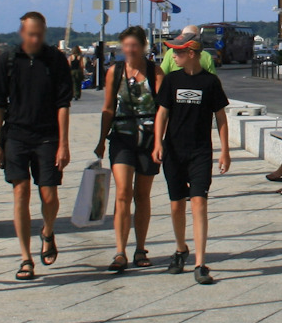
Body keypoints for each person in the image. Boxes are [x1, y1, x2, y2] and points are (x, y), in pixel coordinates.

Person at [0, 12, 74, 282]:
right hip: (15, 134)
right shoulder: (8, 60)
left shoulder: (55, 60)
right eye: (30, 34)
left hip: (47, 135)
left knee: (49, 195)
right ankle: (26, 258)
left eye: (39, 34)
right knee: (21, 193)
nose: (35, 38)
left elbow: (63, 104)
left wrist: (64, 143)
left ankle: (47, 231)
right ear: (22, 33)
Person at [151, 32, 231, 284]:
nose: (173, 56)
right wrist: (157, 143)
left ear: (191, 54)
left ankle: (200, 262)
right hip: (173, 149)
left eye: (178, 52)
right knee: (176, 204)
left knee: (199, 202)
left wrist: (225, 150)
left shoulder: (210, 83)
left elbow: (221, 118)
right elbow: (162, 113)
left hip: (200, 151)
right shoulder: (172, 80)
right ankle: (180, 248)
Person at [95, 27, 161, 273]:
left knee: (142, 195)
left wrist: (160, 142)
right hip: (121, 137)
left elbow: (163, 110)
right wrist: (101, 139)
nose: (130, 50)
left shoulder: (155, 73)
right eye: (126, 46)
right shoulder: (115, 72)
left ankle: (141, 247)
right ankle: (120, 250)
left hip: (148, 138)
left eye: (135, 46)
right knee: (122, 192)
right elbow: (108, 107)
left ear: (143, 46)